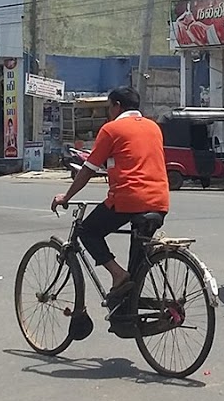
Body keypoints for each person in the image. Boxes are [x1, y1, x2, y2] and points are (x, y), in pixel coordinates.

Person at [50, 86, 169, 308]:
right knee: (137, 265)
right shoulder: (154, 128)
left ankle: (116, 274)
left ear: (117, 105)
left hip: (129, 198)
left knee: (88, 231)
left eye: (109, 107)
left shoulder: (112, 129)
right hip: (159, 200)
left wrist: (66, 196)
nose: (108, 113)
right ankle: (128, 310)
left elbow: (88, 169)